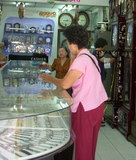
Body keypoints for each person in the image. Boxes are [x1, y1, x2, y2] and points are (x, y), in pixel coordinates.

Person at [39, 25, 107, 160]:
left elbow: (65, 83)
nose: (68, 46)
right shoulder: (90, 56)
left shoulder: (81, 60)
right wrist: (73, 53)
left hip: (85, 108)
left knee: (82, 147)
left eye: (68, 43)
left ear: (73, 43)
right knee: (90, 144)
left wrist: (50, 78)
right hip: (97, 106)